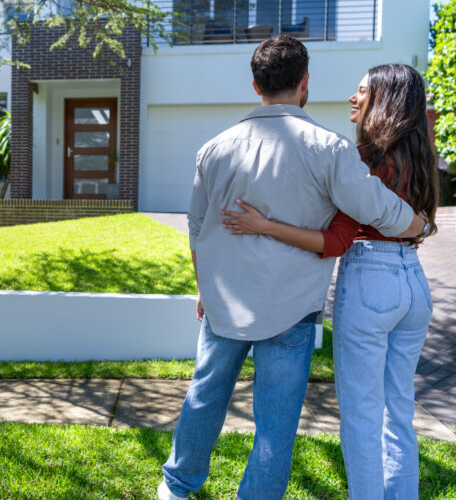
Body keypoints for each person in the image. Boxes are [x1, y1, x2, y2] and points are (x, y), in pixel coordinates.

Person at [157, 37, 426, 500]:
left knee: (204, 397)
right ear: (304, 83)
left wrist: (203, 288)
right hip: (292, 309)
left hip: (225, 305)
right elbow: (375, 206)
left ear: (255, 85)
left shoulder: (213, 149)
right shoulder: (330, 148)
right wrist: (416, 223)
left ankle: (175, 487)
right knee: (275, 425)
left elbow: (197, 227)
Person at [220, 63, 438, 500]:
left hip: (371, 279)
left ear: (385, 101)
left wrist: (265, 226)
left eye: (362, 92)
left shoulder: (362, 162)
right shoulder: (420, 159)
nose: (352, 98)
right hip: (414, 284)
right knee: (398, 412)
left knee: (360, 415)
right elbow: (422, 225)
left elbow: (336, 241)